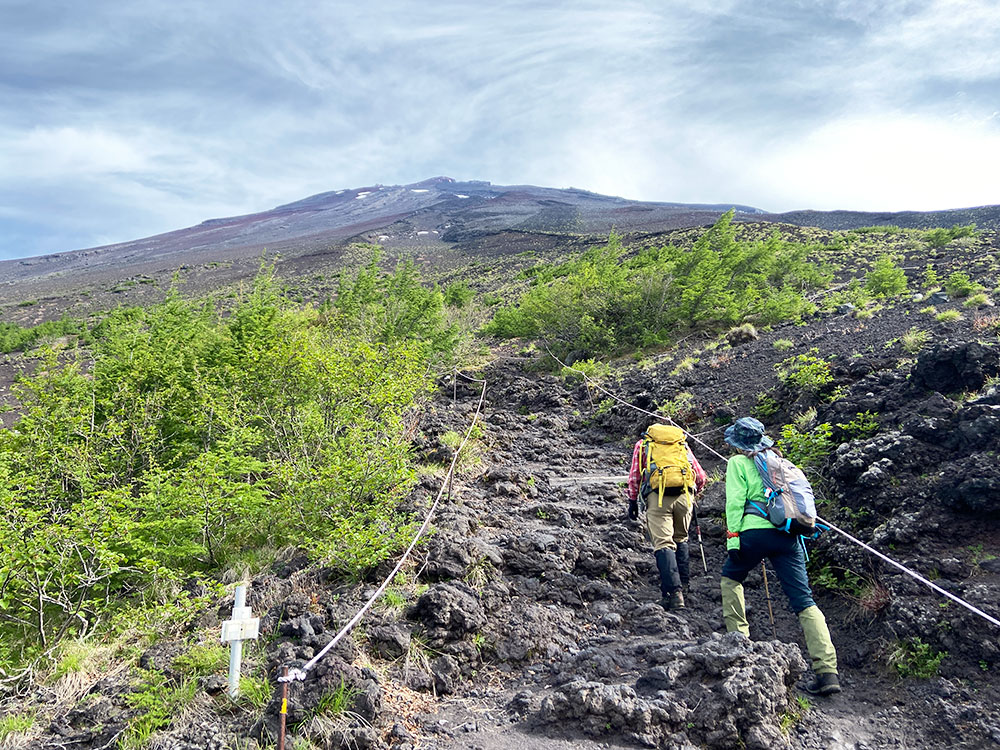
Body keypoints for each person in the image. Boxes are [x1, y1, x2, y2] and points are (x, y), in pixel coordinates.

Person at [720, 417, 841, 696]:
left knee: (731, 579)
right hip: (788, 536)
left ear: (737, 444)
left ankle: (739, 644)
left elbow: (735, 502)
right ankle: (827, 672)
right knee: (804, 601)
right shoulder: (780, 462)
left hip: (753, 533)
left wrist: (733, 538)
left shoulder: (737, 463)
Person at [627, 424, 707, 610]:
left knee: (663, 543)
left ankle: (674, 594)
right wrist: (693, 494)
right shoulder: (681, 444)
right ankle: (685, 588)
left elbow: (635, 476)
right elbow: (701, 476)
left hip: (658, 498)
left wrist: (632, 501)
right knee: (681, 539)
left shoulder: (643, 445)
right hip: (684, 496)